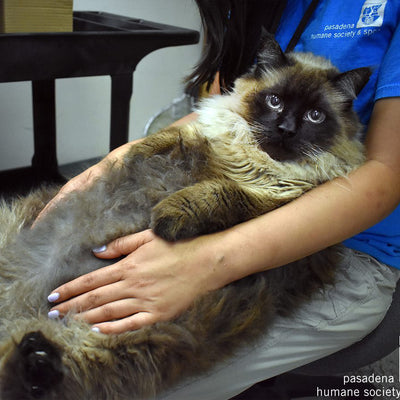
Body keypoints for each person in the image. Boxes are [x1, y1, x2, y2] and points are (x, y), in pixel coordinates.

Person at [39, 0, 400, 398]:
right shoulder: (249, 7)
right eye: (277, 104)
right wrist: (121, 155)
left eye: (313, 116)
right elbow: (222, 106)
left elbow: (386, 172)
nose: (286, 125)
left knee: (101, 380)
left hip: (340, 242)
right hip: (217, 189)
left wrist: (207, 262)